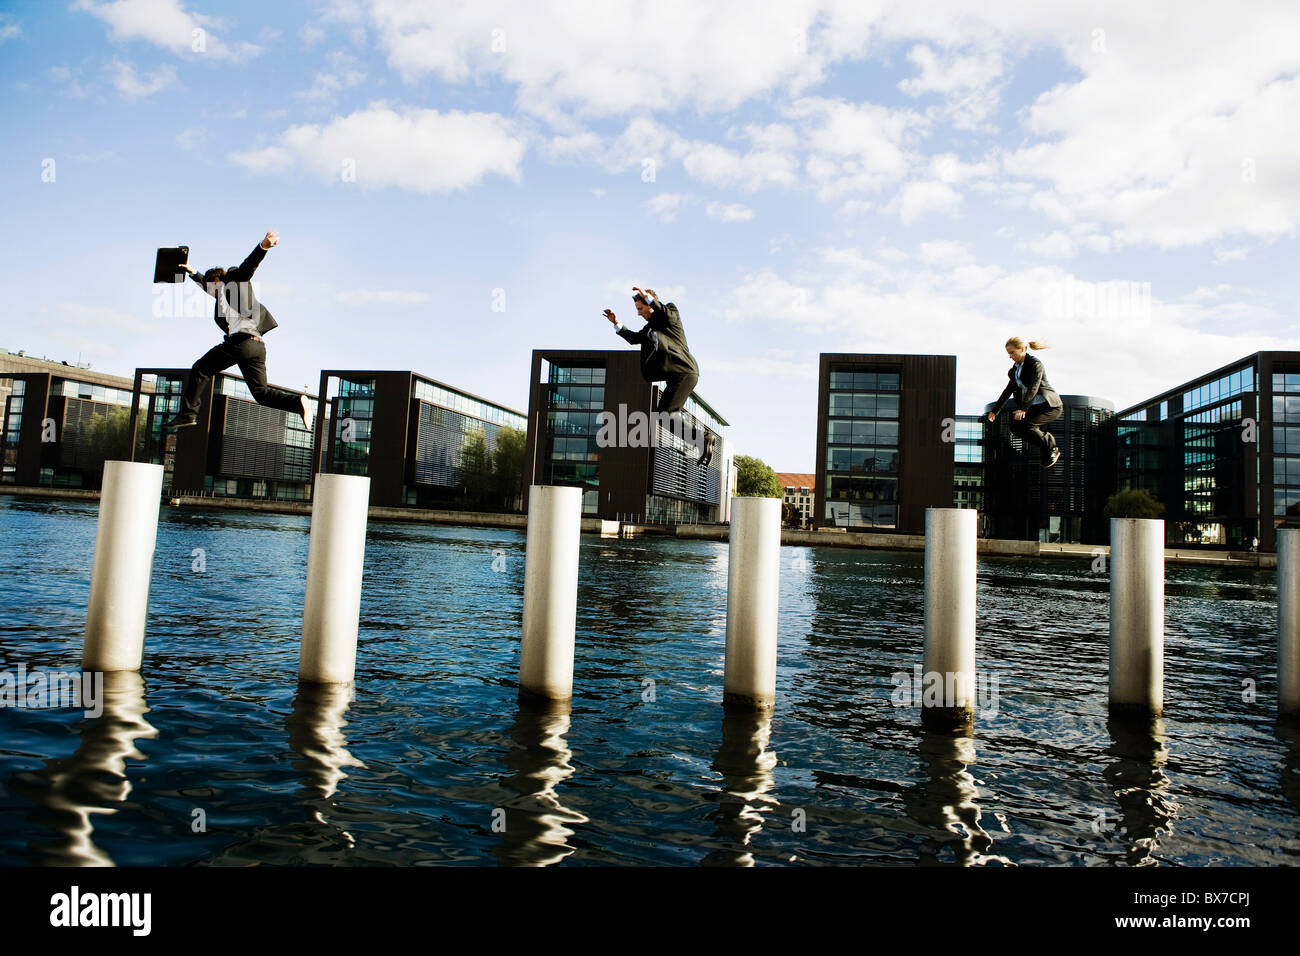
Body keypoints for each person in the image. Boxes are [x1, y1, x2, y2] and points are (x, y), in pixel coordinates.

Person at [164, 230, 308, 430]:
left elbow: (248, 267)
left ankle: (188, 414)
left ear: (215, 281)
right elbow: (202, 282)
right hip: (257, 347)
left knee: (200, 369)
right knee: (261, 394)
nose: (209, 293)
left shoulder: (232, 280)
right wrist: (190, 270)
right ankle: (297, 403)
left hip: (241, 343)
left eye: (209, 288)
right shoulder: (222, 296)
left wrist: (263, 246)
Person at [603, 287, 715, 466]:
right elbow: (634, 339)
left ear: (649, 304)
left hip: (685, 371)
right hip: (675, 376)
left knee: (666, 415)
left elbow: (666, 314)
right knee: (663, 416)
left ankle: (702, 438)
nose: (639, 314)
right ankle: (701, 441)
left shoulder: (669, 314)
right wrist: (616, 323)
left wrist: (648, 297)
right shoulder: (650, 328)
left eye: (640, 309)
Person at [987, 337, 1062, 468]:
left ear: (1022, 349)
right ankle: (1047, 448)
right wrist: (995, 411)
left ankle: (1050, 446)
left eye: (1012, 352)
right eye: (1008, 353)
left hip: (1049, 406)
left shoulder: (1035, 364)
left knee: (1028, 426)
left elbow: (1034, 386)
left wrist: (1023, 408)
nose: (1010, 356)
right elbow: (1008, 390)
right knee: (1015, 427)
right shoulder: (1014, 371)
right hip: (1033, 406)